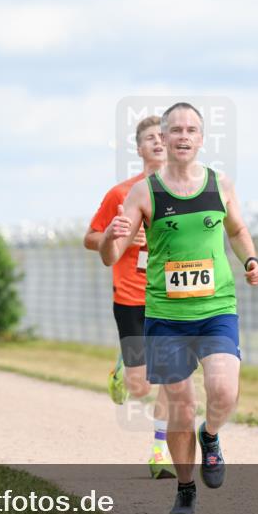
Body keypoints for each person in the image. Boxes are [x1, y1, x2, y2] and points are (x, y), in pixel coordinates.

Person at [100, 102, 258, 514]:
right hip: (166, 315)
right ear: (165, 138)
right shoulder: (144, 192)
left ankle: (210, 438)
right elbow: (111, 255)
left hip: (216, 307)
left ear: (202, 138)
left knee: (224, 392)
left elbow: (238, 230)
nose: (183, 136)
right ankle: (186, 489)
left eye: (192, 129)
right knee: (181, 405)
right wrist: (109, 237)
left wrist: (250, 260)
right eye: (176, 130)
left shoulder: (220, 185)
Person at [84, 115, 177, 479]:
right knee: (141, 387)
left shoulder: (183, 190)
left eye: (162, 136)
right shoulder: (120, 194)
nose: (157, 142)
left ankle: (159, 452)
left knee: (172, 375)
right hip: (130, 297)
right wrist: (113, 234)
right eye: (149, 138)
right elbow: (90, 238)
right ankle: (124, 369)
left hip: (170, 296)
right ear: (139, 148)